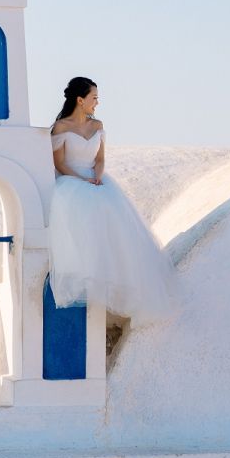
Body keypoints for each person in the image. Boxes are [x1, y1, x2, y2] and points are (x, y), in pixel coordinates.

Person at [48, 77, 178, 327]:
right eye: (94, 97)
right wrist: (82, 180)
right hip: (71, 181)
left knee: (116, 220)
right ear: (80, 100)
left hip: (95, 180)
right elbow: (60, 164)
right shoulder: (61, 128)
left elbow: (100, 159)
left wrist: (97, 176)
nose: (97, 102)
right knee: (85, 210)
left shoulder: (98, 125)